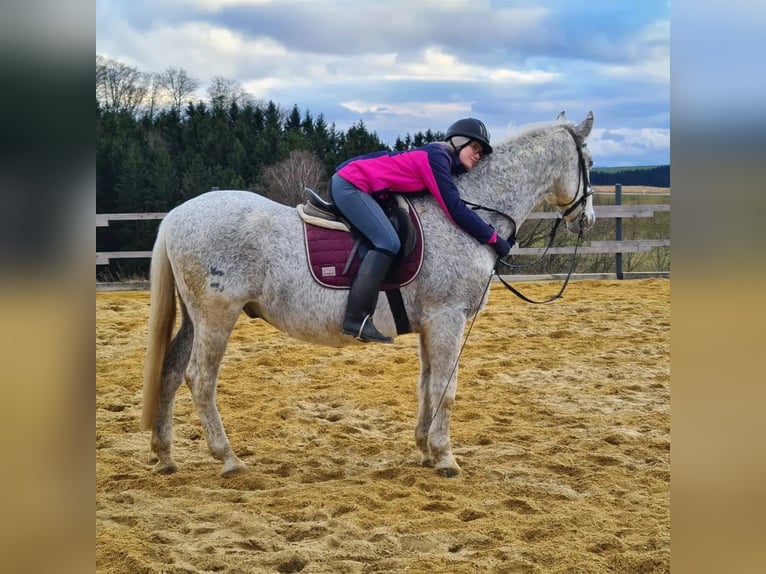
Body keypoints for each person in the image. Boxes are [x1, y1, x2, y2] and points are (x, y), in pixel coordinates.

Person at [330, 117, 512, 344]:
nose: (478, 155)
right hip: (351, 184)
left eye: (481, 153)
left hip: (359, 185)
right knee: (387, 242)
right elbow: (454, 208)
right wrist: (494, 238)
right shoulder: (437, 157)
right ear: (458, 142)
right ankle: (356, 319)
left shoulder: (441, 159)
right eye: (475, 148)